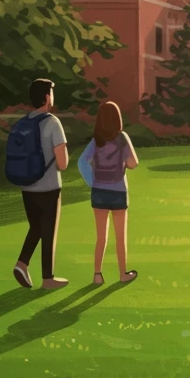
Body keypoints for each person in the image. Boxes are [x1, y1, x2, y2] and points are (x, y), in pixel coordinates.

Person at [11, 78, 70, 290]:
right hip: (49, 187)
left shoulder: (23, 122)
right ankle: (48, 278)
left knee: (36, 227)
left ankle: (22, 264)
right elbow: (62, 163)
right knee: (48, 232)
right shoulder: (52, 122)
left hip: (27, 185)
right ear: (47, 97)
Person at [78, 101, 139, 284]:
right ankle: (123, 274)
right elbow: (133, 163)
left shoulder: (96, 140)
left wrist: (93, 182)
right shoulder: (122, 138)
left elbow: (82, 162)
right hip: (118, 191)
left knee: (101, 237)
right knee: (120, 237)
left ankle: (97, 274)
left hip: (99, 192)